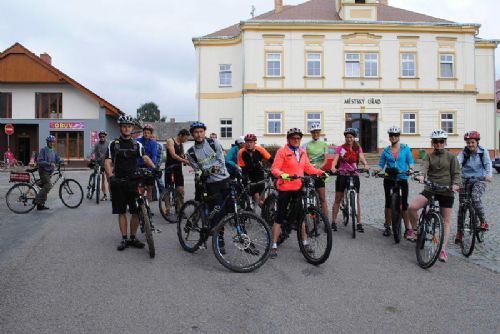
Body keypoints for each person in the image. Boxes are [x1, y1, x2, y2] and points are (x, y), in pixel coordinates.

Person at [270, 128, 327, 259]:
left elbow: (308, 167)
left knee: (301, 215)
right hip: (285, 187)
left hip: (298, 187)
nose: (296, 140)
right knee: (280, 216)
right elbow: (275, 169)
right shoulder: (282, 151)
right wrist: (282, 175)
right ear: (288, 139)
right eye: (293, 138)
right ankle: (273, 245)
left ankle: (305, 243)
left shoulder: (302, 152)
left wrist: (320, 173)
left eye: (298, 138)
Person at [104, 115, 158, 251]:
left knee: (135, 211)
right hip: (118, 181)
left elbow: (145, 158)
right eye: (124, 126)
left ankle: (133, 238)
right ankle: (124, 238)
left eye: (129, 126)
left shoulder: (137, 144)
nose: (126, 128)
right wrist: (110, 177)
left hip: (133, 181)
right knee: (121, 211)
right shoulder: (113, 144)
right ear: (120, 128)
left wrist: (155, 168)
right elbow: (107, 161)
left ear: (132, 128)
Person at [408, 129, 461, 262]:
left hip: (446, 190)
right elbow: (424, 167)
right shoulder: (428, 156)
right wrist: (421, 175)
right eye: (436, 141)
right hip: (430, 189)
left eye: (441, 141)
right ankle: (417, 230)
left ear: (445, 142)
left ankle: (442, 249)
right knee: (412, 207)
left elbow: (456, 173)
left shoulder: (451, 157)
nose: (438, 144)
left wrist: (455, 184)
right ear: (432, 143)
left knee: (446, 220)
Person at [186, 122, 230, 252]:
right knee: (217, 213)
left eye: (201, 132)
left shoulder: (213, 143)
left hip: (225, 180)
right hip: (210, 185)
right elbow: (197, 170)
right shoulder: (191, 152)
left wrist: (208, 169)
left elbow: (221, 161)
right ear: (192, 134)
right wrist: (204, 172)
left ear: (204, 132)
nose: (199, 134)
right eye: (196, 132)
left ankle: (243, 236)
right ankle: (219, 238)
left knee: (232, 209)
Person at [375, 126, 416, 240]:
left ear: (399, 136)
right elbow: (381, 164)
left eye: (395, 135)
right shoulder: (386, 150)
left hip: (402, 178)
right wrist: (377, 171)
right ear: (389, 137)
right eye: (391, 135)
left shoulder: (405, 149)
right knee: (388, 203)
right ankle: (388, 226)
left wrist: (411, 170)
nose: (393, 137)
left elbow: (411, 162)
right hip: (389, 178)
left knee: (404, 204)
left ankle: (407, 229)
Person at [455, 131, 492, 243]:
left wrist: (488, 175)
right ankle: (460, 232)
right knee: (462, 207)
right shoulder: (463, 153)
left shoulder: (483, 152)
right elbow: (457, 163)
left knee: (475, 197)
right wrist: (455, 180)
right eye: (468, 142)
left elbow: (488, 164)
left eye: (472, 142)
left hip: (479, 180)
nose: (470, 144)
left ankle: (483, 221)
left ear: (477, 142)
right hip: (465, 180)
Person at [330, 128, 369, 232]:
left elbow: (362, 157)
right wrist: (333, 167)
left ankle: (359, 223)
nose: (349, 139)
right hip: (342, 174)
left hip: (354, 174)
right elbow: (335, 159)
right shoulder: (341, 148)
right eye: (347, 137)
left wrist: (366, 164)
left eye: (351, 137)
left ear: (354, 138)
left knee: (357, 199)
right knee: (338, 198)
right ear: (345, 138)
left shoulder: (357, 148)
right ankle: (333, 222)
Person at [237, 134, 273, 207]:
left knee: (262, 195)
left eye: (251, 142)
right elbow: (242, 166)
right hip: (249, 175)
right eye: (247, 142)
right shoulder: (241, 152)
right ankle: (258, 208)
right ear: (245, 143)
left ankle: (265, 212)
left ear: (254, 143)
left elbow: (271, 159)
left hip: (259, 174)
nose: (249, 144)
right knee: (257, 197)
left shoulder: (260, 149)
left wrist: (275, 168)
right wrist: (245, 177)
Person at [303, 123, 329, 219]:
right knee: (308, 196)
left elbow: (326, 160)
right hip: (309, 172)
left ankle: (326, 220)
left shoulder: (324, 144)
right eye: (313, 132)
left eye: (317, 132)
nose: (315, 134)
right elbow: (304, 159)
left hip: (319, 172)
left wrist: (319, 168)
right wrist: (309, 167)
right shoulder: (306, 145)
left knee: (322, 198)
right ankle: (308, 218)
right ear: (311, 133)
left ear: (319, 133)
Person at [164, 129, 190, 213]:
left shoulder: (181, 144)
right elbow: (173, 155)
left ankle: (180, 209)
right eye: (185, 138)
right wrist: (184, 160)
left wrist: (186, 159)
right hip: (170, 168)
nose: (186, 140)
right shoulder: (170, 141)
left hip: (178, 168)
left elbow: (181, 155)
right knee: (168, 189)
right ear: (180, 135)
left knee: (180, 189)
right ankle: (167, 209)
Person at [34, 135, 61, 210]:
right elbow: (40, 161)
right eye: (50, 142)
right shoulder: (43, 150)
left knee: (45, 187)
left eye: (53, 142)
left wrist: (62, 162)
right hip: (43, 171)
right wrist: (49, 163)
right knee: (48, 185)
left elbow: (57, 159)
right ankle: (37, 200)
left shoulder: (54, 150)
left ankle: (40, 205)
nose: (52, 143)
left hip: (49, 172)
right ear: (47, 142)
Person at [136, 124, 158, 201]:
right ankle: (140, 204)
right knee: (140, 188)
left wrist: (153, 166)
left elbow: (154, 155)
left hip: (150, 167)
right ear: (143, 132)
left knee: (150, 187)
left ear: (151, 134)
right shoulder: (137, 141)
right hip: (139, 166)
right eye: (145, 132)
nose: (146, 134)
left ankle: (148, 206)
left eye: (148, 133)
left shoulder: (153, 143)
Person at [92, 130, 110, 200]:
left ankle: (111, 195)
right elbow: (92, 150)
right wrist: (88, 156)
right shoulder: (97, 144)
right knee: (102, 179)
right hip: (100, 164)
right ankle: (105, 195)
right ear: (99, 137)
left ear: (105, 137)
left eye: (103, 136)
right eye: (100, 137)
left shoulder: (109, 143)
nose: (102, 138)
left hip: (107, 164)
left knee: (109, 180)